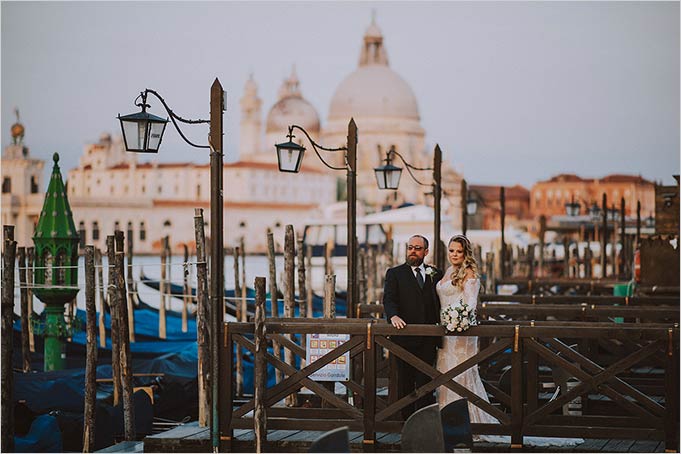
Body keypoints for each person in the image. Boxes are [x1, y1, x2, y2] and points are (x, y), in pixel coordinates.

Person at [436, 234, 582, 446]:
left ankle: (469, 425)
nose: (454, 255)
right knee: (444, 374)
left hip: (461, 334)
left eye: (458, 251)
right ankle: (446, 422)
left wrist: (456, 320)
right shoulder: (448, 271)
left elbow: (469, 307)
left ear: (466, 253)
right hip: (445, 335)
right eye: (451, 251)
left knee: (462, 375)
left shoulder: (470, 274)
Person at [383, 234, 443, 419]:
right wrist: (392, 315)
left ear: (426, 251)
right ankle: (406, 421)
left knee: (426, 381)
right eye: (410, 247)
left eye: (417, 248)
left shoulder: (436, 274)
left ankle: (423, 419)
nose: (413, 251)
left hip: (428, 338)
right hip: (404, 338)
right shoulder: (394, 273)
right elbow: (389, 299)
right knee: (405, 382)